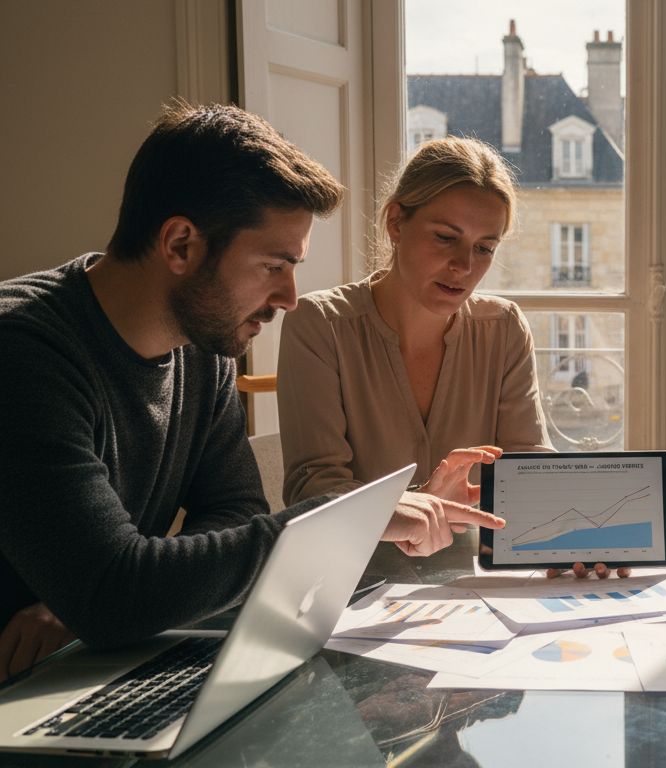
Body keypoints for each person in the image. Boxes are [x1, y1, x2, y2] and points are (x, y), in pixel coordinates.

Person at [0, 104, 502, 683]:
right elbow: (115, 593)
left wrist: (102, 597)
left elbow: (234, 512)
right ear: (182, 245)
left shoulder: (200, 346)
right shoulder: (23, 356)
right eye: (273, 265)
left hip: (88, 670)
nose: (290, 297)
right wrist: (343, 520)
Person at [277, 135, 627, 579]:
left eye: (484, 248)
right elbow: (315, 490)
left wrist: (600, 534)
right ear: (396, 223)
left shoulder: (503, 327)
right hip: (343, 590)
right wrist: (423, 501)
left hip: (473, 587)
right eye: (446, 238)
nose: (464, 266)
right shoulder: (320, 323)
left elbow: (527, 469)